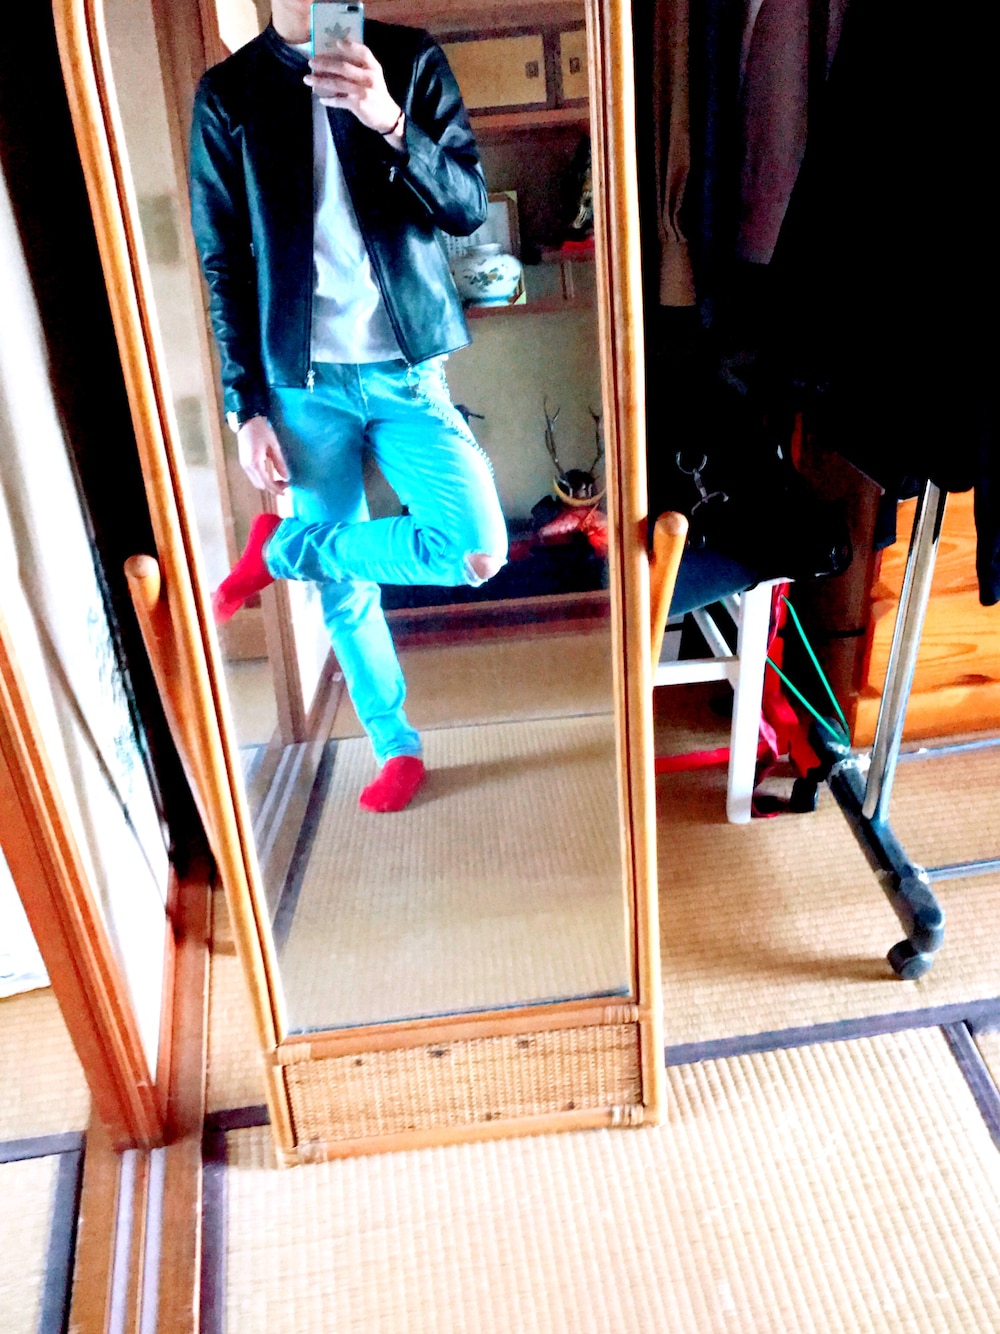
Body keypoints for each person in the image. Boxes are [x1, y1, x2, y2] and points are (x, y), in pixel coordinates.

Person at [189, 2, 508, 813]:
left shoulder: (408, 58)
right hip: (300, 382)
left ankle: (286, 548)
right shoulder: (229, 93)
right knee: (348, 588)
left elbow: (467, 206)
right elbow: (223, 261)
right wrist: (244, 407)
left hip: (407, 370)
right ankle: (394, 745)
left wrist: (390, 120)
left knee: (477, 548)